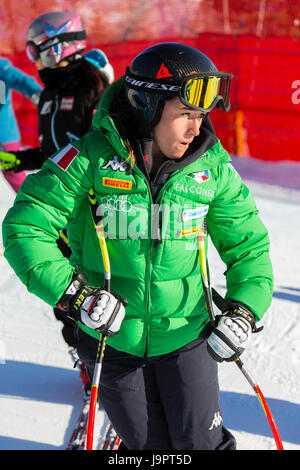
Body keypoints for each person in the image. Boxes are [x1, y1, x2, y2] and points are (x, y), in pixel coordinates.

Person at [2, 42, 273, 450]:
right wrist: (75, 296)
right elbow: (25, 228)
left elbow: (249, 247)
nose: (196, 128)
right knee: (146, 450)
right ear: (147, 104)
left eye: (200, 116)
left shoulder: (212, 169)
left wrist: (244, 309)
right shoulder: (89, 159)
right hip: (111, 342)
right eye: (185, 114)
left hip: (186, 337)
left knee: (202, 444)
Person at [0, 11, 114, 353]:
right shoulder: (49, 94)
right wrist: (20, 159)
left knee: (100, 285)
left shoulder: (92, 84)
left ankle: (113, 363)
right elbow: (54, 150)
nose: (34, 58)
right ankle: (86, 359)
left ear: (60, 45)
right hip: (61, 205)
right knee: (66, 291)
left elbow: (104, 145)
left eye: (38, 49)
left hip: (92, 207)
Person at [0, 55, 42, 192]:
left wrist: (37, 94)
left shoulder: (1, 67)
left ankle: (35, 205)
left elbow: (21, 80)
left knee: (16, 177)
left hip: (4, 136)